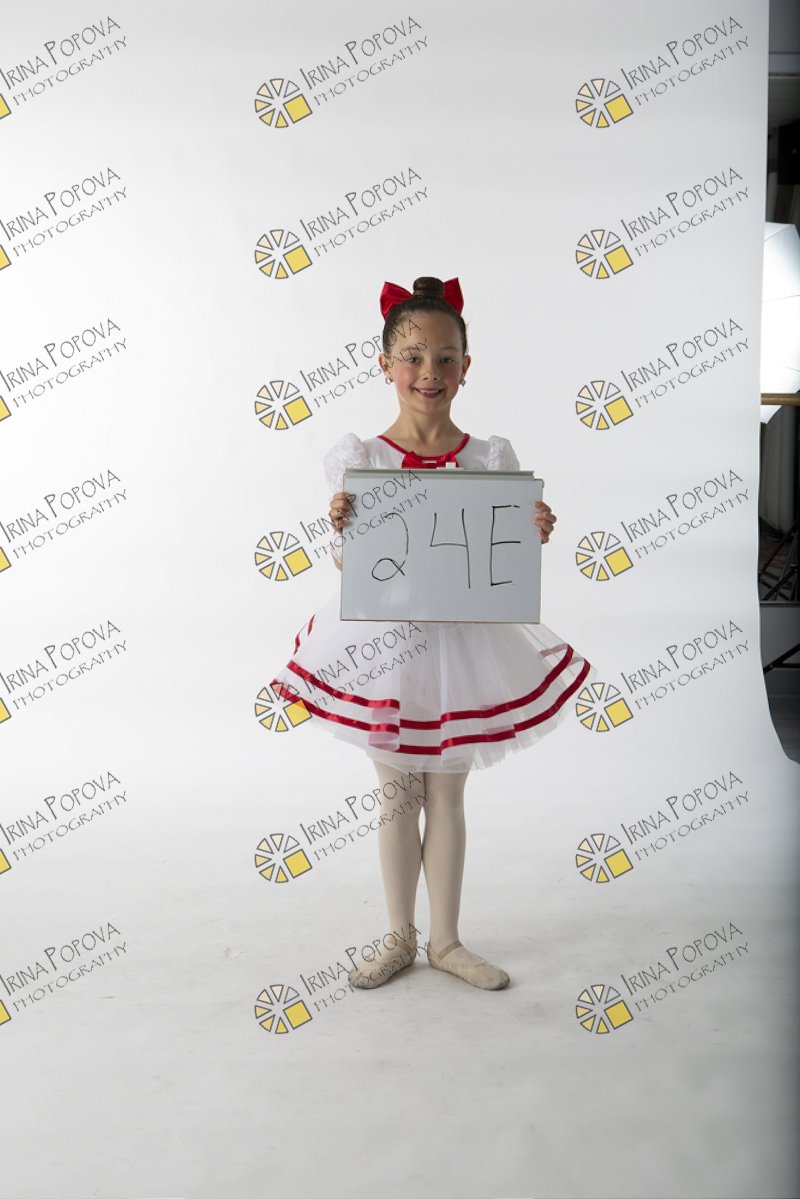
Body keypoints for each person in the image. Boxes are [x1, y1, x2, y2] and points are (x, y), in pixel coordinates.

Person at [269, 276, 593, 992]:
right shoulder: (361, 458)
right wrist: (343, 527)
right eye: (413, 358)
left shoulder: (489, 458)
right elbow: (357, 569)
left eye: (446, 359)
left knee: (446, 794)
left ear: (466, 367)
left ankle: (446, 940)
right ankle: (399, 935)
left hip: (462, 647)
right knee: (397, 797)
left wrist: (530, 529)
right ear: (385, 364)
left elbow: (497, 558)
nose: (429, 373)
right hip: (385, 650)